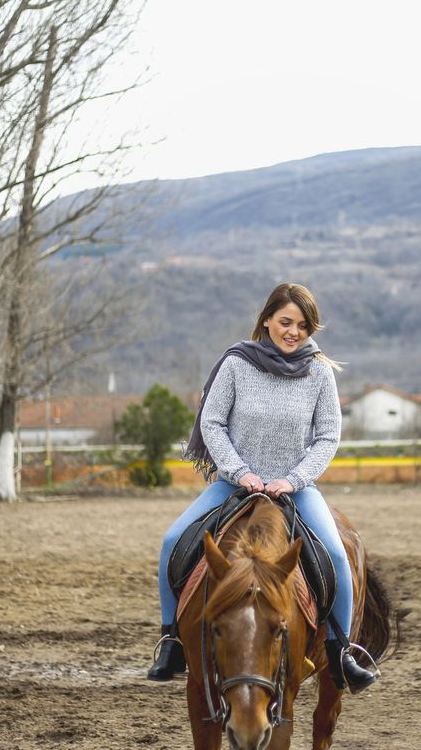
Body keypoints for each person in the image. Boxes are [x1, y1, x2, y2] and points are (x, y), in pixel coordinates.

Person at [147, 282, 378, 693]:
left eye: (303, 326)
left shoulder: (320, 373)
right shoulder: (236, 364)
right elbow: (212, 423)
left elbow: (327, 437)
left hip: (295, 488)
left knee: (340, 559)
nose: (293, 331)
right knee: (170, 541)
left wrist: (292, 480)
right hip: (235, 486)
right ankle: (171, 642)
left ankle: (340, 650)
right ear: (267, 319)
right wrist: (240, 472)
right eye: (285, 321)